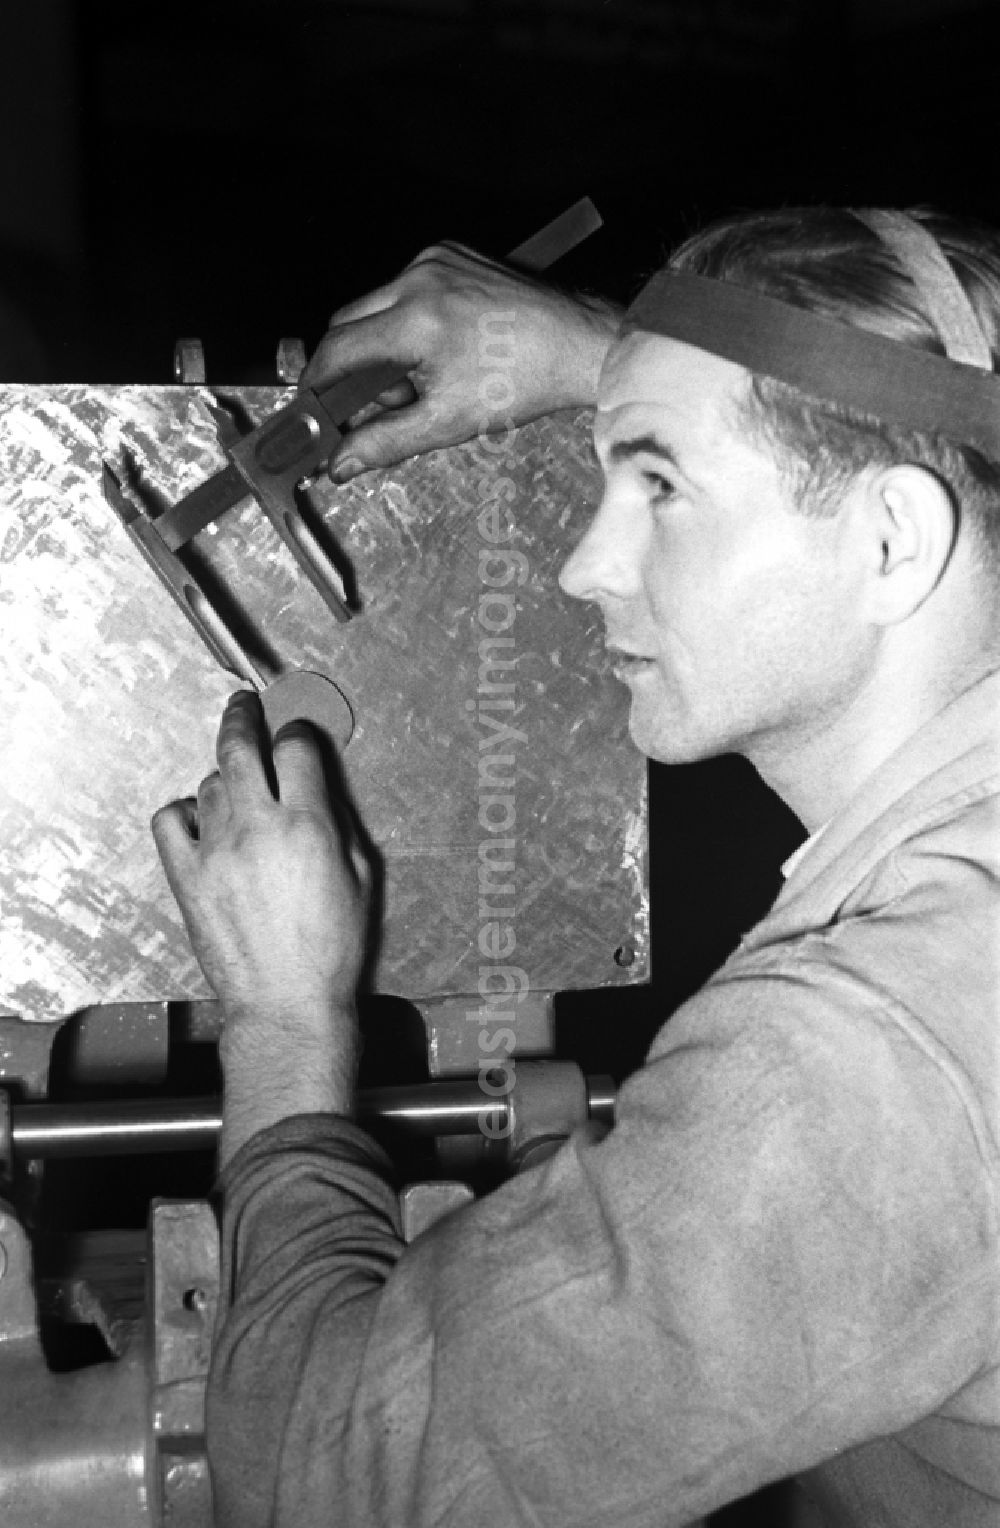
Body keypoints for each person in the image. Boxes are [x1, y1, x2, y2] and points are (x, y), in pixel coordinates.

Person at [151, 207, 1000, 1527]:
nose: (583, 562)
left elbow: (319, 1481)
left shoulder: (871, 1072)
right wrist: (612, 359)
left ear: (894, 540)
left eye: (658, 487)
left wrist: (280, 1028)